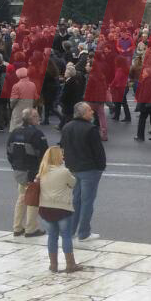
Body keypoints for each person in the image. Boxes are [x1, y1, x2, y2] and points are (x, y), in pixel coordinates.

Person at [59, 102, 106, 241]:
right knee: (87, 202)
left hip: (73, 168)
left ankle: (71, 230)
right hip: (89, 169)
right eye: (90, 111)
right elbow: (98, 152)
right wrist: (101, 167)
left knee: (76, 200)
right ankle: (84, 232)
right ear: (83, 113)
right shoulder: (90, 129)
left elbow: (63, 147)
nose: (92, 112)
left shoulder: (67, 127)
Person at [35, 145, 80, 273]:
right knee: (66, 236)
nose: (63, 156)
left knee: (52, 236)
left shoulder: (42, 171)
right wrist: (64, 167)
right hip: (62, 209)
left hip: (45, 209)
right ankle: (70, 264)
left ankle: (53, 265)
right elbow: (73, 183)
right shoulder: (64, 171)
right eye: (61, 154)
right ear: (58, 157)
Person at [7, 108, 47, 237]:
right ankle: (31, 228)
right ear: (31, 119)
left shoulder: (15, 132)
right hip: (33, 171)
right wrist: (42, 171)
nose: (38, 117)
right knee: (33, 200)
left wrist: (14, 166)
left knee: (21, 198)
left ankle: (17, 227)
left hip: (19, 170)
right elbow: (44, 154)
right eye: (36, 116)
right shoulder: (37, 134)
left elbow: (9, 151)